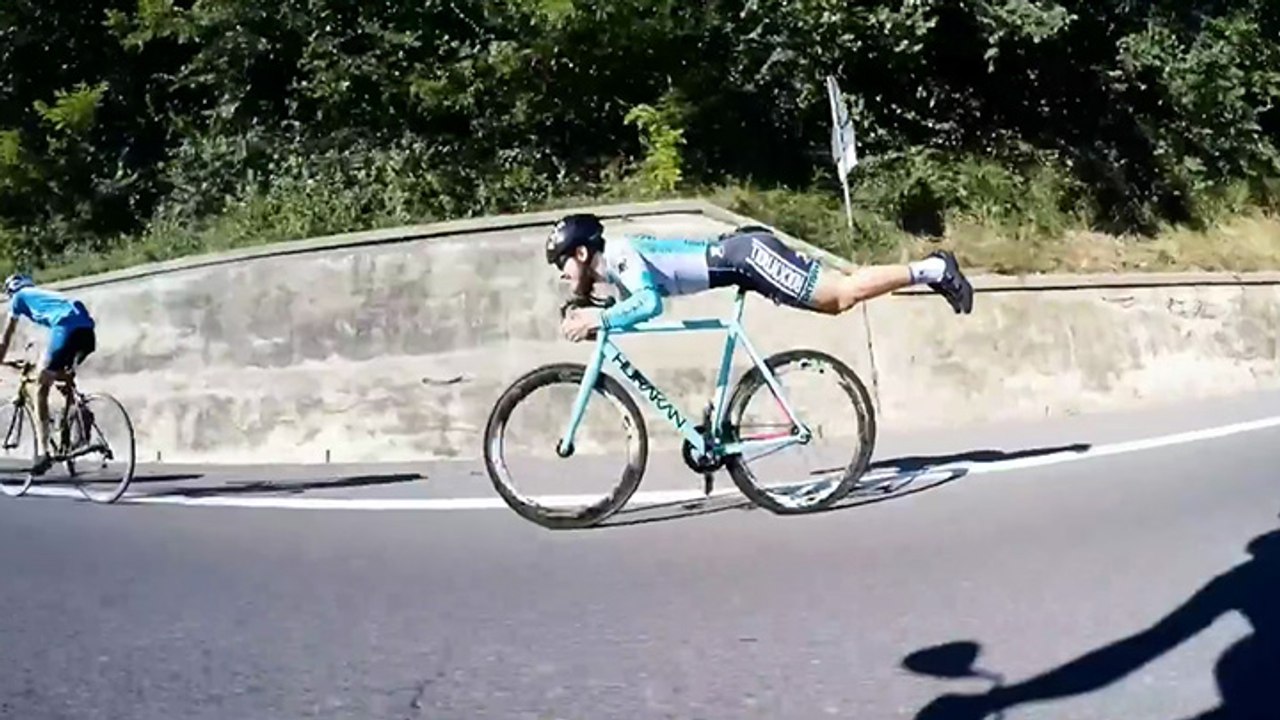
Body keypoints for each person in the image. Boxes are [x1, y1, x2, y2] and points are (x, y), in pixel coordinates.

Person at [546, 213, 974, 342]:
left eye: (563, 263)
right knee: (832, 304)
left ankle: (933, 268)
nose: (564, 276)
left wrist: (598, 321)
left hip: (747, 256)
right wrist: (595, 315)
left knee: (841, 294)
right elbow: (633, 302)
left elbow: (649, 304)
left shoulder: (619, 254)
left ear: (582, 253)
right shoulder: (616, 267)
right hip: (741, 263)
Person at [0, 273, 97, 475]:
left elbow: (6, 338)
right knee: (62, 377)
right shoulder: (44, 297)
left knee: (40, 385)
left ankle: (43, 452)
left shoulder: (18, 298)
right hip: (87, 330)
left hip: (65, 328)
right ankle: (78, 415)